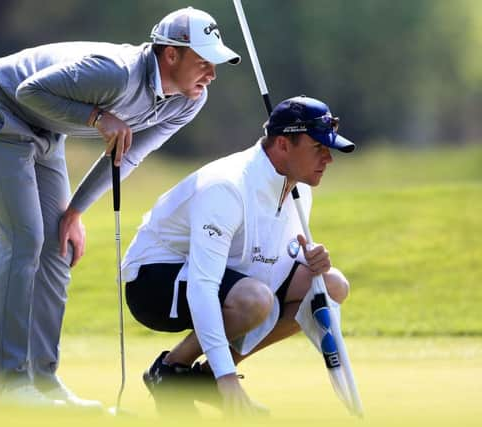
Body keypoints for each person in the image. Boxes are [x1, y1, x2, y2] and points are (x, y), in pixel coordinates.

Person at [0, 7, 240, 408]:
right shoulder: (117, 72)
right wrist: (98, 117)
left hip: (45, 131)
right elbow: (29, 91)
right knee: (24, 240)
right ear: (171, 55)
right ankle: (8, 386)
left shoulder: (187, 100)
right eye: (204, 62)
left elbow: (127, 156)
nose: (211, 74)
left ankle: (43, 381)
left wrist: (74, 212)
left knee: (57, 247)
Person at [121, 95, 356, 417]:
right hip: (154, 281)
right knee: (256, 300)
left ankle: (200, 381)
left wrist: (307, 261)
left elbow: (268, 262)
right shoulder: (227, 186)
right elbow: (204, 285)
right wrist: (227, 376)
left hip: (224, 275)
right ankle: (172, 369)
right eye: (318, 147)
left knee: (330, 285)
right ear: (284, 145)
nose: (328, 158)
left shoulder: (300, 190)